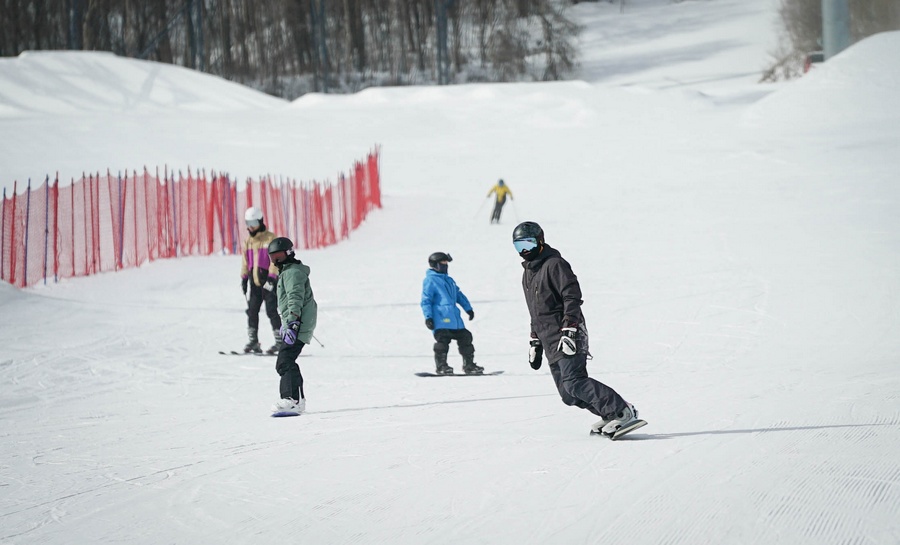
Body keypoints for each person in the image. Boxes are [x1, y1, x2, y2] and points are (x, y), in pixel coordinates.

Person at [512, 221, 644, 437]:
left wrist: (570, 329)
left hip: (568, 333)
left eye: (528, 243)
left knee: (574, 381)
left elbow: (572, 296)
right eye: (519, 246)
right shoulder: (528, 274)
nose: (524, 250)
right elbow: (536, 310)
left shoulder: (555, 264)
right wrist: (534, 339)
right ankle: (609, 412)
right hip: (549, 338)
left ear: (540, 241)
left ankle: (621, 411)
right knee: (568, 394)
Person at [268, 237, 318, 414]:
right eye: (272, 257)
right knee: (288, 360)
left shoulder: (292, 273)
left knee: (284, 361)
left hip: (298, 323)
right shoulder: (288, 272)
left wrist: (293, 322)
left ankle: (291, 399)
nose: (275, 260)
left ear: (288, 253)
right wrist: (286, 322)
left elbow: (295, 298)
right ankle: (298, 400)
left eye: (279, 256)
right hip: (297, 322)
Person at [421, 252, 484, 375]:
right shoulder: (430, 280)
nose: (445, 266)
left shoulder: (449, 280)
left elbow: (459, 295)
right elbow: (426, 301)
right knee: (442, 341)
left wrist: (468, 309)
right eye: (442, 263)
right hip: (441, 319)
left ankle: (469, 365)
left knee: (465, 337)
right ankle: (441, 366)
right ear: (434, 265)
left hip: (455, 319)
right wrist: (428, 317)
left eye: (446, 263)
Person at [241, 206, 283, 354]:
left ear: (260, 221)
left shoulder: (271, 239)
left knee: (271, 310)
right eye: (247, 223)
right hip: (255, 282)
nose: (250, 226)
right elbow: (245, 261)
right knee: (252, 311)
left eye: (253, 222)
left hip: (269, 282)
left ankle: (280, 341)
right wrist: (244, 278)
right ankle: (253, 341)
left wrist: (272, 278)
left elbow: (276, 260)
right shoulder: (248, 241)